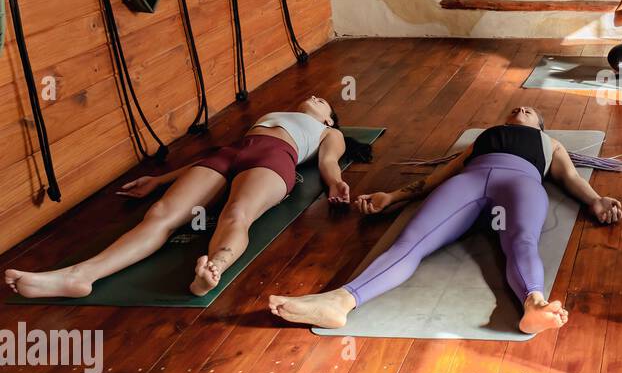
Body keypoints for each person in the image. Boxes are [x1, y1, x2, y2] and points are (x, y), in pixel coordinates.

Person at [269, 106, 622, 333]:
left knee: (522, 240)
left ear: (540, 125)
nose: (522, 108)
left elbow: (571, 179)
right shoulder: (482, 139)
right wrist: (392, 197)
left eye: (531, 110)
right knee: (411, 242)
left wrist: (596, 201)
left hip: (521, 183)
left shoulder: (549, 142)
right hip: (468, 183)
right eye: (516, 108)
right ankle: (341, 302)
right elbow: (439, 176)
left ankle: (534, 304)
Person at [5, 95, 366, 298]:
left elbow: (329, 162)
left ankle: (213, 269)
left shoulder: (326, 132)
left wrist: (335, 184)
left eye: (325, 103)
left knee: (237, 213)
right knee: (161, 213)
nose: (317, 97)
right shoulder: (277, 111)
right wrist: (160, 179)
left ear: (330, 120)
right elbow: (218, 157)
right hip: (230, 153)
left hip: (274, 159)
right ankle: (79, 276)